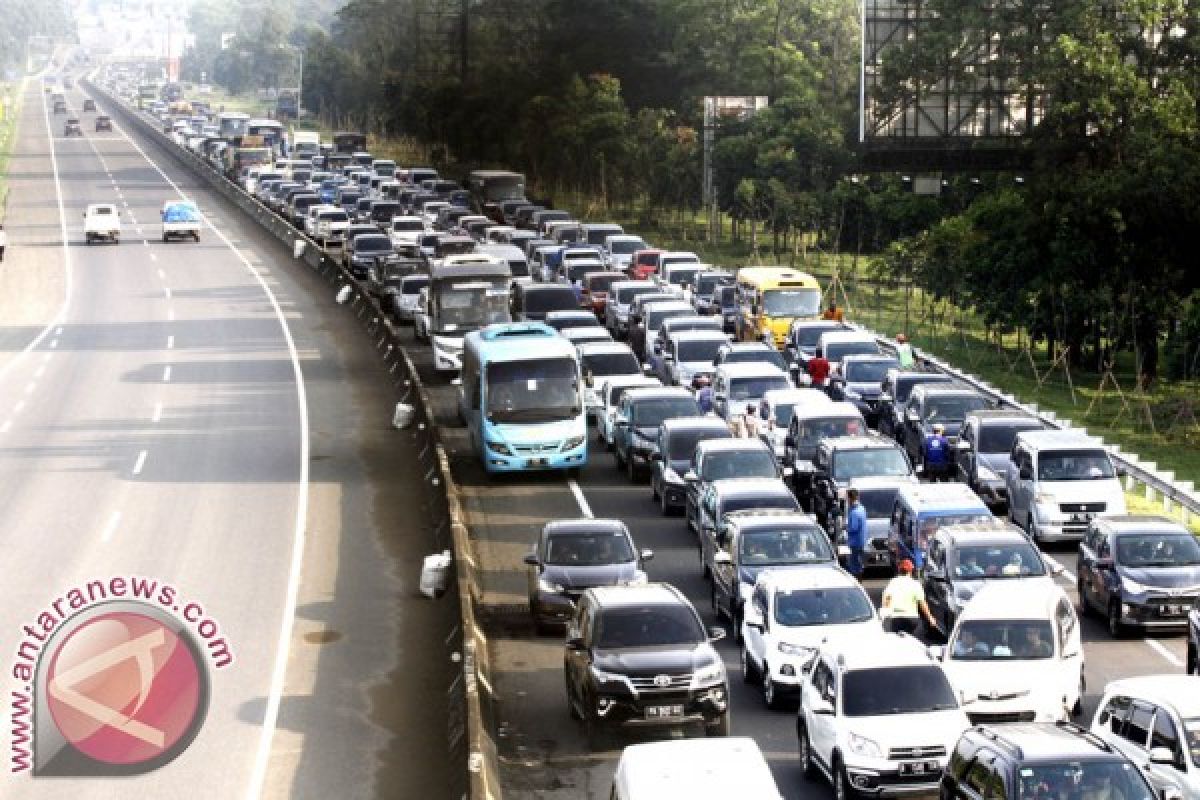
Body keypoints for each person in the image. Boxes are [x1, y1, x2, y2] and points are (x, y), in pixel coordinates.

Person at [881, 559, 939, 636]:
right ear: (911, 571)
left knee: (898, 638)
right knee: (908, 636)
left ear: (899, 570)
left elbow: (887, 598)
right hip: (912, 618)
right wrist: (930, 618)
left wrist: (884, 613)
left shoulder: (893, 582)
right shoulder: (915, 584)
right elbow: (922, 602)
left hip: (896, 617)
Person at [844, 488, 867, 578]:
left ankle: (857, 581)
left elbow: (853, 528)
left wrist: (845, 527)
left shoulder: (854, 512)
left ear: (850, 498)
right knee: (858, 563)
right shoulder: (861, 508)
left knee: (854, 565)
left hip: (855, 542)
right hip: (861, 540)